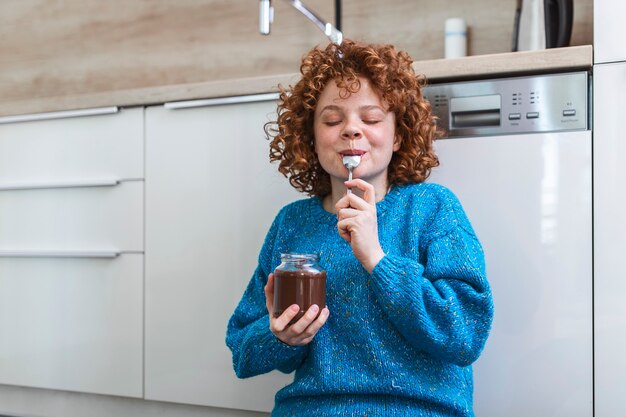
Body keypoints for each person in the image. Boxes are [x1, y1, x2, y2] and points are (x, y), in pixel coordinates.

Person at [226, 39, 494, 417]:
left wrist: (378, 259)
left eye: (370, 119)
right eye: (333, 120)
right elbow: (242, 351)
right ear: (312, 137)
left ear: (398, 135)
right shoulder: (292, 223)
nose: (352, 130)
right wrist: (281, 337)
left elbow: (465, 334)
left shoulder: (433, 208)